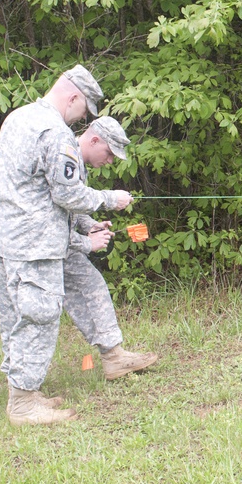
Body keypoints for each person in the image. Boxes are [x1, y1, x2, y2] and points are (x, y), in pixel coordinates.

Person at [0, 65, 134, 426]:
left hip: (7, 241)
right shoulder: (56, 133)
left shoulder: (17, 119)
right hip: (36, 247)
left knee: (19, 316)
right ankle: (23, 404)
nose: (82, 118)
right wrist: (109, 198)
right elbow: (66, 193)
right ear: (73, 97)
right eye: (84, 110)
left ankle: (26, 392)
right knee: (38, 315)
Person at [62, 116, 158, 381]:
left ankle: (114, 358)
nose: (111, 160)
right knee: (38, 316)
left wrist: (90, 225)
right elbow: (50, 217)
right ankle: (23, 389)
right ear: (94, 140)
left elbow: (71, 207)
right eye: (109, 153)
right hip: (42, 248)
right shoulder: (63, 155)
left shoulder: (78, 163)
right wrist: (87, 242)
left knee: (93, 285)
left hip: (63, 245)